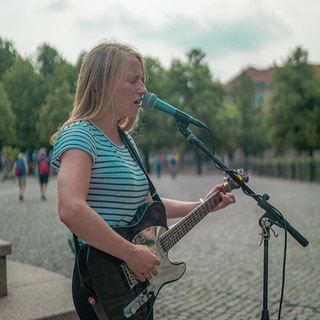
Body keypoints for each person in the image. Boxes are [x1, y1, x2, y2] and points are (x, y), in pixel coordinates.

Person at [50, 40, 236, 320]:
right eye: (133, 80)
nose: (143, 89)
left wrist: (205, 204)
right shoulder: (80, 135)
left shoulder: (127, 143)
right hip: (103, 279)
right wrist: (129, 253)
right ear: (100, 83)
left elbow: (151, 205)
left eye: (143, 80)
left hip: (133, 280)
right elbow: (70, 209)